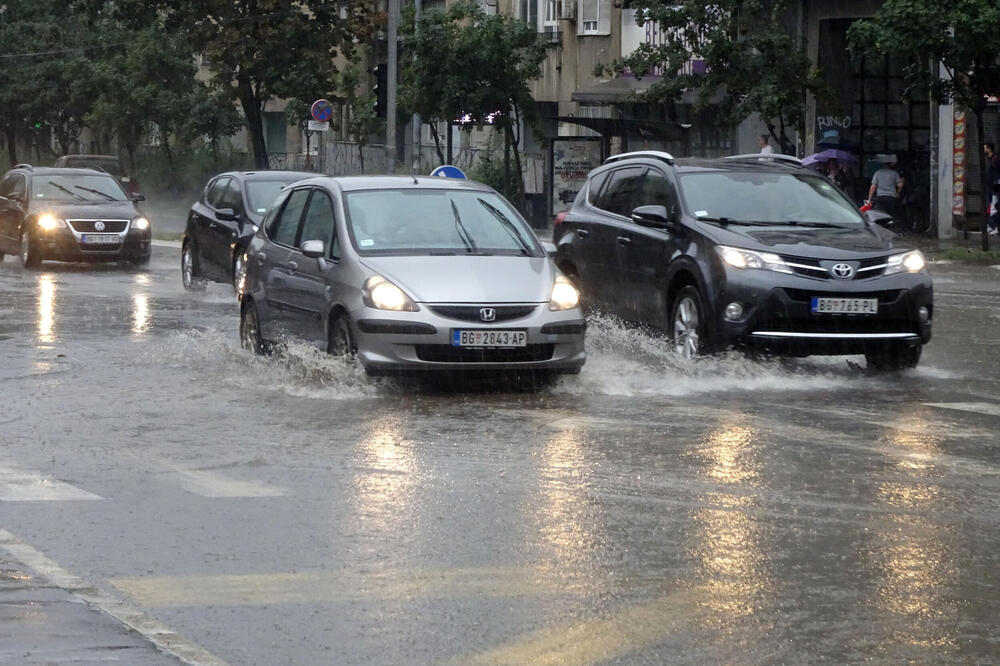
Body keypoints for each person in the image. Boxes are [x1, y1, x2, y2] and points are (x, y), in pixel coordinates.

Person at [867, 156, 904, 222]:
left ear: (882, 164)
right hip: (891, 197)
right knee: (891, 215)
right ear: (890, 164)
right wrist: (898, 193)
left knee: (881, 215)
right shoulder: (894, 173)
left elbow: (873, 187)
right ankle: (891, 229)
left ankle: (882, 229)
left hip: (880, 198)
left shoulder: (877, 173)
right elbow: (900, 185)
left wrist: (869, 199)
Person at [985, 142, 1000, 235]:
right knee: (991, 206)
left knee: (994, 206)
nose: (984, 149)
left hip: (995, 186)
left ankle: (994, 226)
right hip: (990, 186)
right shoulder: (989, 158)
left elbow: (996, 172)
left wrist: (996, 182)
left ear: (989, 148)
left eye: (985, 147)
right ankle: (992, 225)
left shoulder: (995, 158)